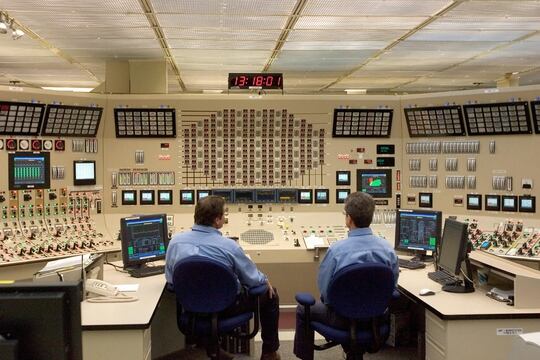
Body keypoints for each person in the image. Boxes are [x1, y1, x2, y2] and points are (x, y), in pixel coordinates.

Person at [165, 195, 281, 360]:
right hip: (227, 307)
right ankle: (269, 353)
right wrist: (264, 279)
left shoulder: (175, 243)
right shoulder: (230, 247)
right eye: (224, 215)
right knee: (271, 294)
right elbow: (253, 280)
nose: (225, 218)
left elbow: (171, 280)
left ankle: (211, 347)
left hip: (191, 309)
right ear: (218, 220)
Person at [293, 192, 399, 360]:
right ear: (371, 217)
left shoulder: (337, 251)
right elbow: (392, 287)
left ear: (348, 219)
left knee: (302, 309)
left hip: (341, 318)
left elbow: (325, 292)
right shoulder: (387, 250)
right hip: (375, 319)